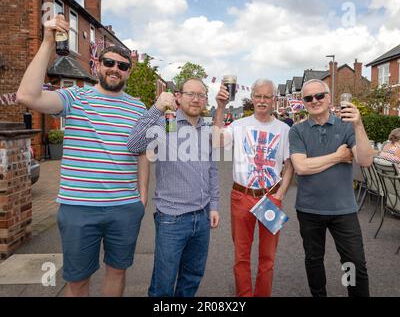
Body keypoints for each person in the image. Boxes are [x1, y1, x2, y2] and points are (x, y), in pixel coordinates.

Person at [16, 15, 149, 297]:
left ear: (129, 72)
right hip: (79, 207)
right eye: (109, 63)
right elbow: (27, 96)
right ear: (97, 65)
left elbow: (142, 154)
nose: (115, 69)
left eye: (123, 66)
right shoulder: (75, 98)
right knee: (77, 280)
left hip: (124, 207)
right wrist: (48, 41)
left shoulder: (139, 109)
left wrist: (142, 198)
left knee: (117, 271)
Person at [127, 77, 220, 297]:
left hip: (203, 216)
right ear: (178, 96)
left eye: (201, 95)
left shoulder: (206, 129)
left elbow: (212, 170)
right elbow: (133, 145)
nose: (196, 99)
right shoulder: (165, 123)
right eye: (191, 94)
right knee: (163, 283)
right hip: (172, 219)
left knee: (192, 278)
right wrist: (156, 108)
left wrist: (214, 205)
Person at [289, 79, 374, 297]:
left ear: (329, 97)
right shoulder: (297, 131)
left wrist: (358, 124)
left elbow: (364, 160)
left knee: (353, 262)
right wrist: (338, 156)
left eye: (319, 96)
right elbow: (300, 167)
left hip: (343, 209)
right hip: (309, 209)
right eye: (308, 98)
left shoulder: (347, 126)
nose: (314, 101)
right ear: (303, 102)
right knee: (314, 259)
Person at [213, 79, 294, 297]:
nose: (261, 100)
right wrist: (220, 108)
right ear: (252, 98)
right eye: (258, 96)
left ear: (273, 100)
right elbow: (216, 141)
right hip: (242, 195)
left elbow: (290, 164)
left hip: (270, 197)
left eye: (267, 97)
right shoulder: (239, 125)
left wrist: (281, 194)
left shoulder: (284, 129)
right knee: (241, 256)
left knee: (267, 257)